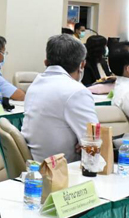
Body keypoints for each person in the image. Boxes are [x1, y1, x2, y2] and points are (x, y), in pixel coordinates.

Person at [21, 35, 98, 163]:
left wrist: (86, 142)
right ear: (82, 64)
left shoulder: (36, 84)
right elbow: (94, 142)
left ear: (46, 62)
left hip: (38, 162)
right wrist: (87, 142)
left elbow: (89, 141)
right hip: (63, 167)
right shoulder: (76, 91)